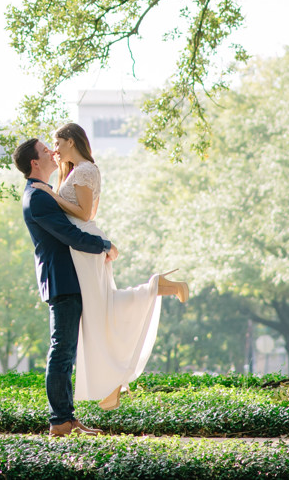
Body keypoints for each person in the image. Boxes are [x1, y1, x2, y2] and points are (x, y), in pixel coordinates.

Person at [27, 122, 189, 411]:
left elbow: (86, 213)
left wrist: (52, 194)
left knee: (100, 311)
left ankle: (157, 288)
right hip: (84, 246)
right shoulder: (78, 170)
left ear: (71, 142)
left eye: (57, 142)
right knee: (101, 310)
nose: (54, 149)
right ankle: (114, 381)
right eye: (50, 145)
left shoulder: (85, 170)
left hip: (84, 247)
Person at [14, 135, 116, 437]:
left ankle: (68, 419)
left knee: (66, 350)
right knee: (62, 351)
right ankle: (60, 420)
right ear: (35, 162)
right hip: (62, 279)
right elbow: (69, 234)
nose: (52, 152)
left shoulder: (44, 192)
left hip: (67, 278)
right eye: (46, 151)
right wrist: (104, 245)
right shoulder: (38, 197)